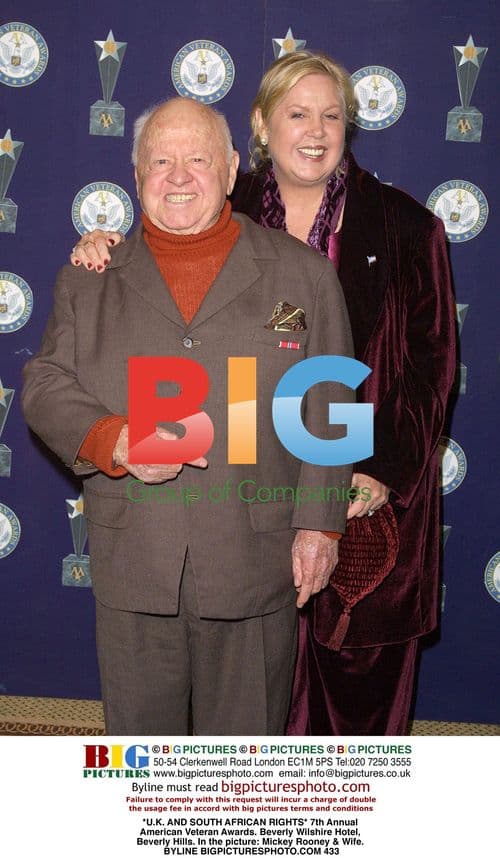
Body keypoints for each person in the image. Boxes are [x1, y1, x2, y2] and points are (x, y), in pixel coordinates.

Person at [71, 51, 457, 736]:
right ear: (259, 125)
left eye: (332, 115)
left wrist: (370, 476)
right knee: (238, 702)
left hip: (359, 497)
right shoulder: (216, 197)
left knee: (348, 703)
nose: (315, 130)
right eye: (297, 113)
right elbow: (155, 282)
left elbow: (430, 371)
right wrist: (105, 245)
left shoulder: (405, 226)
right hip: (235, 506)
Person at [22, 96, 354, 736]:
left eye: (197, 159)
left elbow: (331, 404)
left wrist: (323, 526)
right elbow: (44, 383)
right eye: (161, 160)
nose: (178, 176)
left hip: (257, 559)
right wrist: (113, 440)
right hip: (135, 562)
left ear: (231, 169)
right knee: (144, 760)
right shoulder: (90, 276)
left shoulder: (305, 273)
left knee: (241, 768)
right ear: (137, 172)